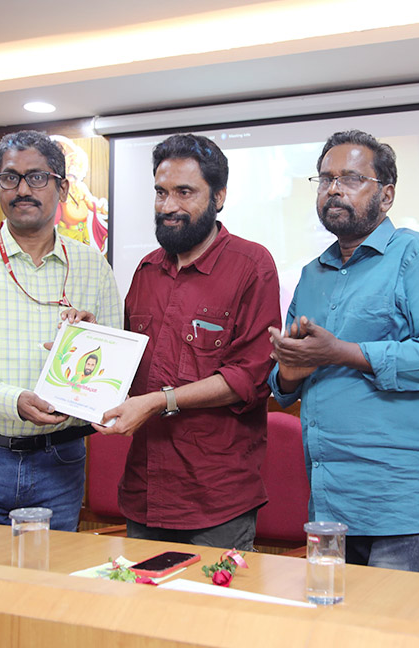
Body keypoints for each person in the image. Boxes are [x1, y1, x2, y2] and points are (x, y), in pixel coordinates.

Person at [267, 130, 419, 574]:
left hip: (406, 511)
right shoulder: (311, 275)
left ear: (387, 195)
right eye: (324, 180)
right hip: (331, 508)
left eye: (351, 178)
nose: (334, 189)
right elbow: (283, 388)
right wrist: (289, 369)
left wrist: (341, 351)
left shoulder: (418, 256)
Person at [0, 130, 122, 532]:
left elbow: (114, 369)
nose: (22, 189)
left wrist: (94, 347)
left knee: (50, 587)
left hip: (60, 460)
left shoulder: (91, 265)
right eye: (10, 178)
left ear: (62, 188)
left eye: (37, 177)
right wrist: (11, 400)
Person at [95, 134, 280, 550]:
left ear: (219, 197)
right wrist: (89, 337)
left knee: (214, 615)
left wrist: (160, 402)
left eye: (184, 192)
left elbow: (248, 378)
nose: (168, 206)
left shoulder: (252, 266)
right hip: (143, 492)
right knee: (143, 612)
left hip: (214, 500)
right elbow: (128, 365)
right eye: (160, 192)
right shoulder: (146, 269)